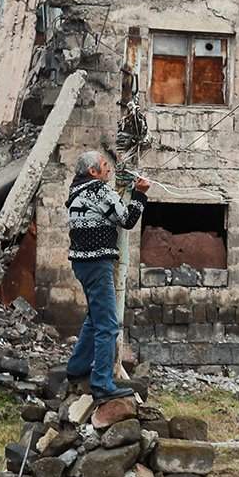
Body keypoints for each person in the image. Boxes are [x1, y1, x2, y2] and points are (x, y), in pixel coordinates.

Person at [65, 148, 149, 428]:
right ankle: (102, 382)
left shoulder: (77, 192)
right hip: (98, 263)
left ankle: (77, 367)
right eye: (104, 165)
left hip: (81, 264)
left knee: (95, 318)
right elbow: (126, 219)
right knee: (108, 324)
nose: (108, 168)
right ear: (94, 172)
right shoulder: (99, 191)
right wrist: (139, 194)